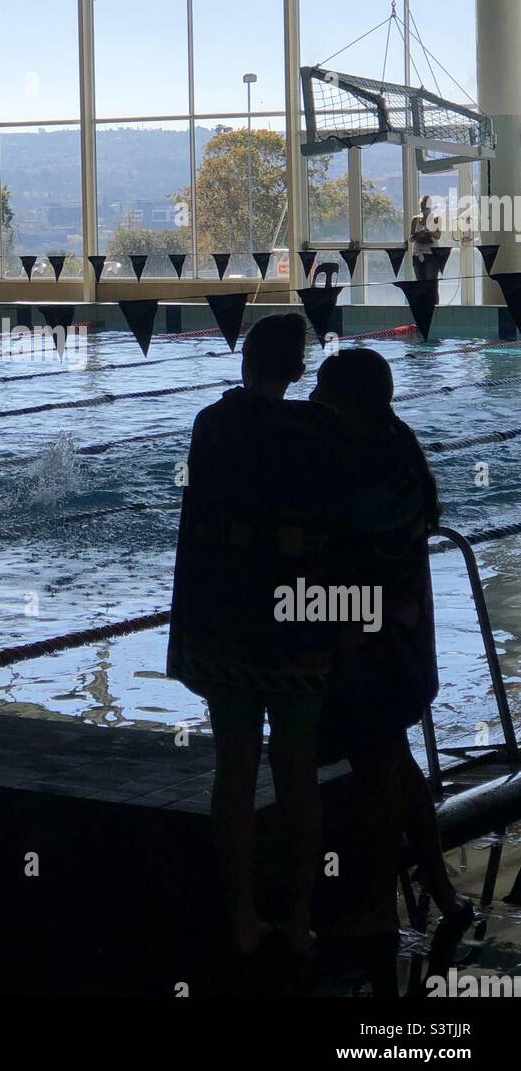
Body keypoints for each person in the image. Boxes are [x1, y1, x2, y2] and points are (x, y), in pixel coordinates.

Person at [167, 313, 346, 957]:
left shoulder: (213, 424)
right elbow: (340, 529)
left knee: (234, 773)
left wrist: (182, 632)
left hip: (226, 628)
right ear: (298, 371)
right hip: (300, 629)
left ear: (244, 361)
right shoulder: (320, 429)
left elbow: (196, 534)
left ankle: (241, 918)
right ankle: (299, 920)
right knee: (299, 776)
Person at [312, 349, 473, 934]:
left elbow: (346, 557)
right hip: (400, 643)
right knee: (395, 762)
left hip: (367, 650)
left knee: (377, 778)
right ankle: (439, 885)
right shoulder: (396, 443)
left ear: (345, 401)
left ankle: (379, 907)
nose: (313, 404)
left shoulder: (362, 462)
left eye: (323, 394)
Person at [410, 195, 440, 298]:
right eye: (422, 207)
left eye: (426, 208)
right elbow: (412, 236)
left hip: (431, 255)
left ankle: (434, 307)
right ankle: (423, 306)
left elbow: (438, 235)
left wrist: (429, 231)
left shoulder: (436, 219)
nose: (424, 210)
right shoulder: (415, 219)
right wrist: (417, 235)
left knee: (432, 285)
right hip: (418, 254)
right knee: (420, 285)